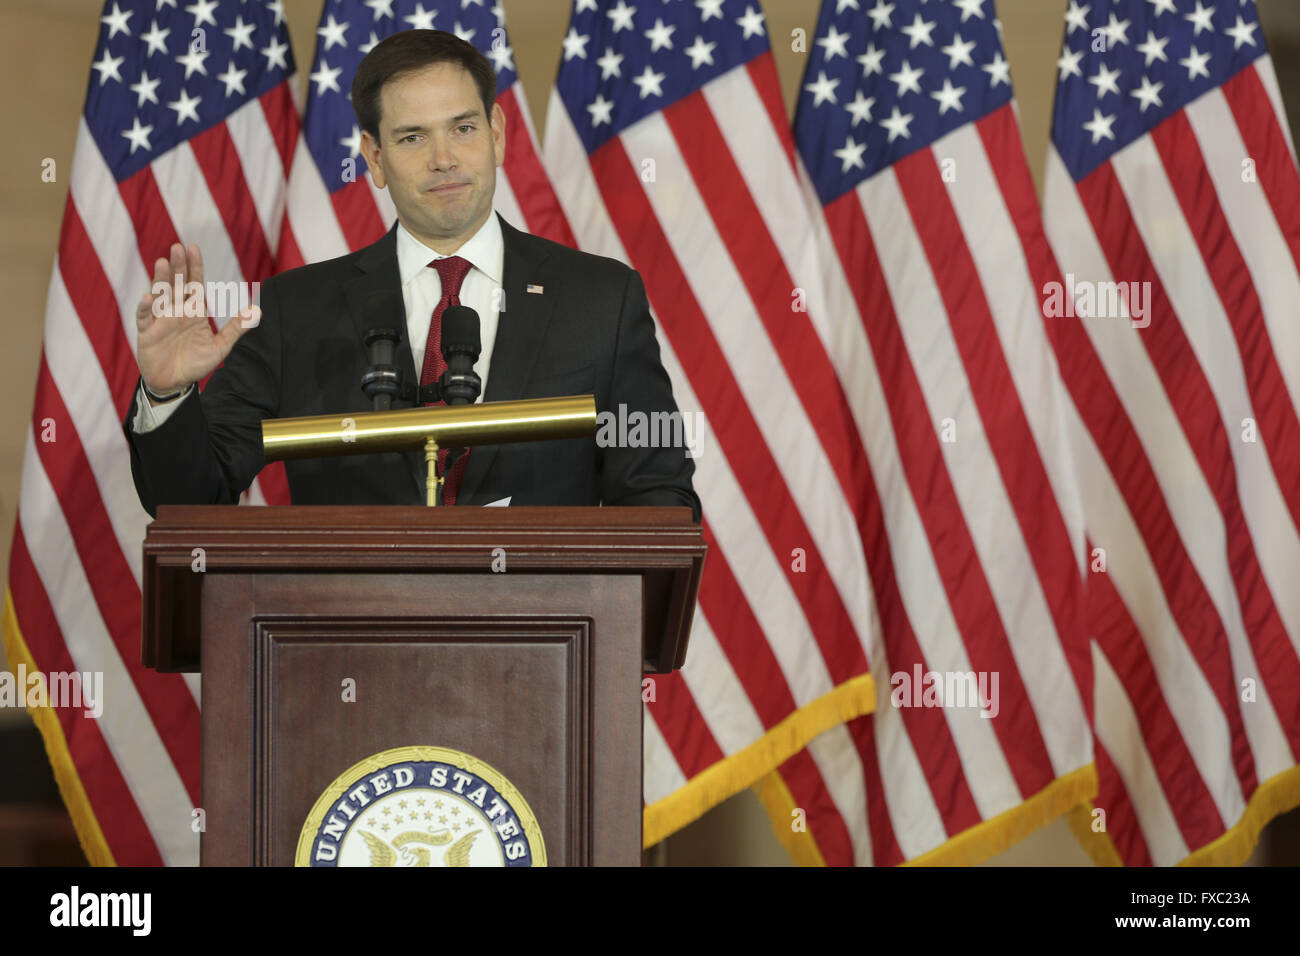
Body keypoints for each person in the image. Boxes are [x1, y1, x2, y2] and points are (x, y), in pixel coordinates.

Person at [123, 29, 699, 521]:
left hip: (548, 639)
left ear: (497, 133)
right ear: (374, 157)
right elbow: (193, 500)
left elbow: (659, 496)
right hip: (344, 643)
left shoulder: (601, 299)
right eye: (413, 137)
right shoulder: (296, 310)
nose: (444, 158)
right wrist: (169, 393)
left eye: (464, 128)